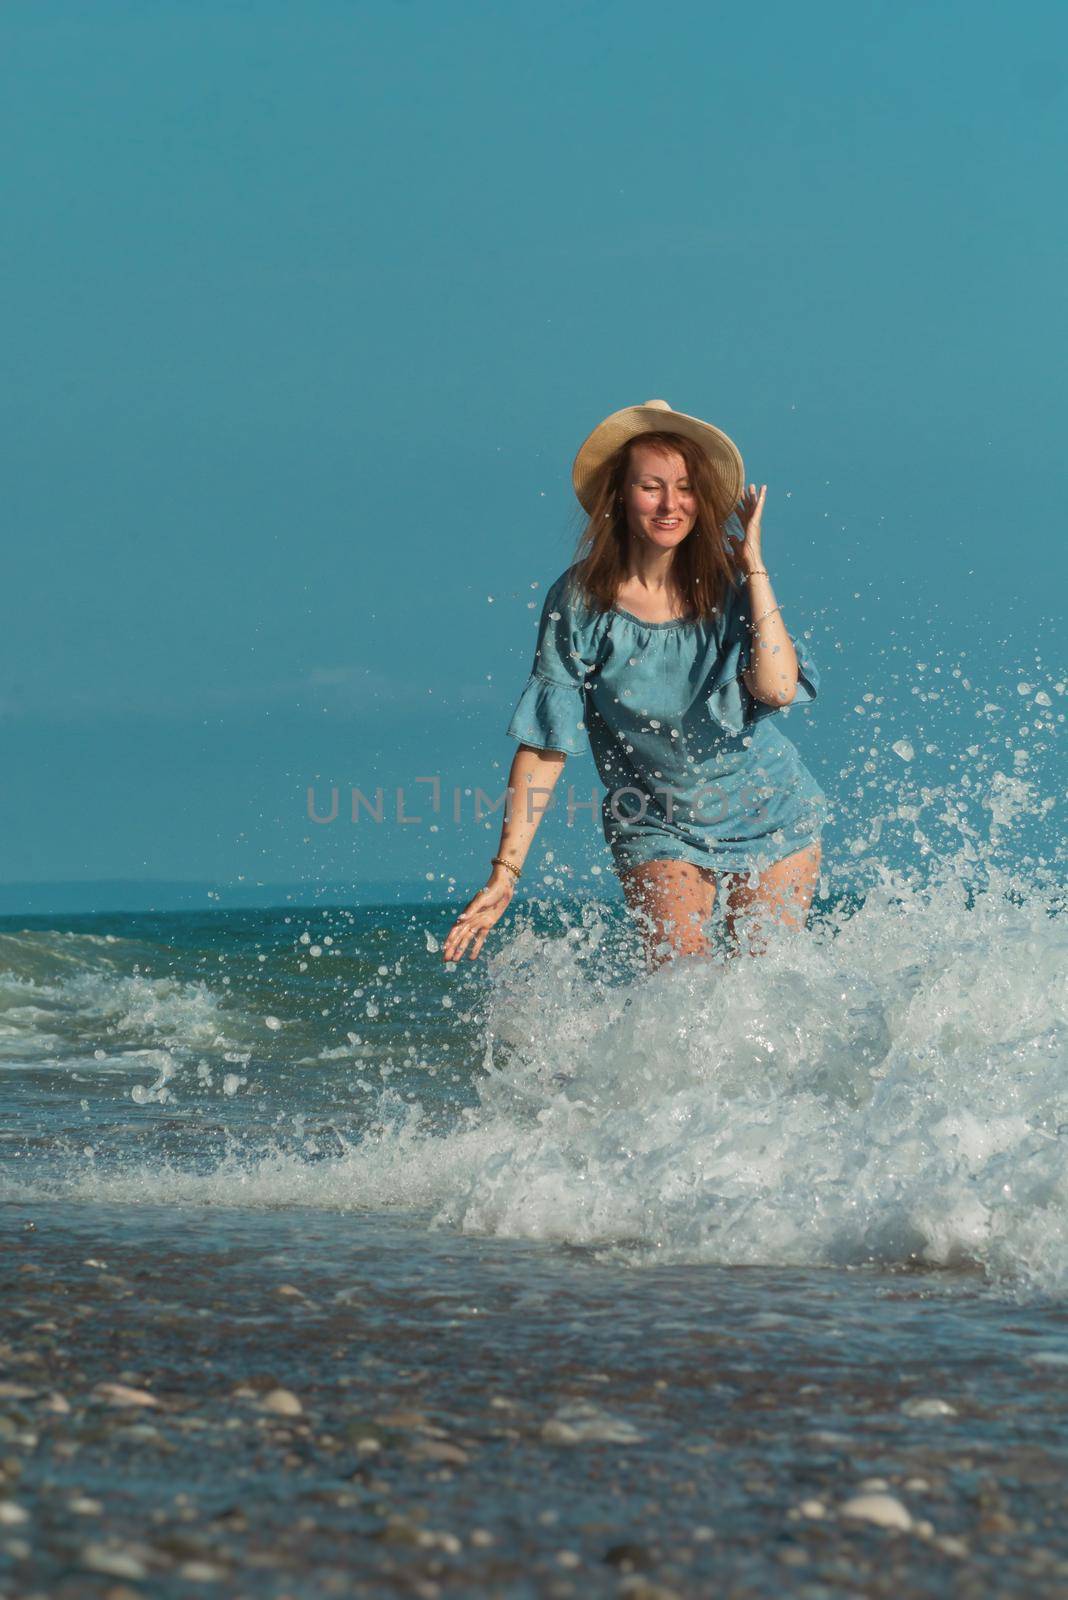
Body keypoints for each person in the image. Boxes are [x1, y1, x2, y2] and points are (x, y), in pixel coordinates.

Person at [442, 399, 828, 970]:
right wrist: (505, 875)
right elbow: (546, 744)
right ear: (620, 496)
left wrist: (753, 566)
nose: (671, 504)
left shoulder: (731, 588)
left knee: (764, 980)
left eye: (686, 487)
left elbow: (775, 690)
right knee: (680, 986)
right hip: (654, 818)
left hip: (769, 807)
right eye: (652, 487)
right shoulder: (580, 602)